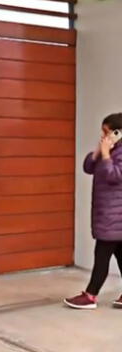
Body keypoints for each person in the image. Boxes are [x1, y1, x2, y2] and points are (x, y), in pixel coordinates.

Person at [64, 113, 122, 309]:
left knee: (102, 255)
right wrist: (99, 152)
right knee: (120, 254)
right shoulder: (110, 150)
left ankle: (90, 295)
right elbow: (88, 167)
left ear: (118, 133)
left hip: (115, 216)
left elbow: (114, 176)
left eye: (107, 132)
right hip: (107, 213)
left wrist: (106, 154)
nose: (103, 136)